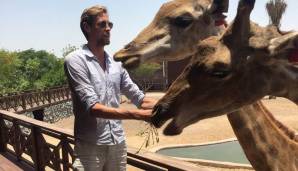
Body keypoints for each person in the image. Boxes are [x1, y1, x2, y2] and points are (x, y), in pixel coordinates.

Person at [64, 5, 157, 171]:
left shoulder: (116, 64)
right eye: (102, 24)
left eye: (110, 25)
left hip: (117, 144)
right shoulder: (75, 61)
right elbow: (93, 108)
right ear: (87, 27)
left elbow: (138, 97)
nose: (108, 29)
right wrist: (139, 115)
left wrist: (169, 105)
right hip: (90, 146)